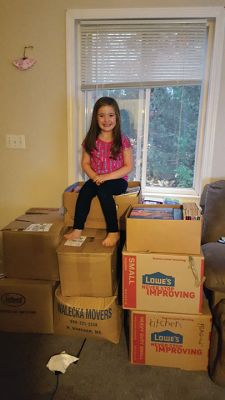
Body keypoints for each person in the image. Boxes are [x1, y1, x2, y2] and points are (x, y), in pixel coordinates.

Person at [64, 96, 133, 247]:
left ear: (117, 117)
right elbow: (85, 163)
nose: (106, 120)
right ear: (96, 118)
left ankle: (113, 231)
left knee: (103, 191)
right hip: (97, 178)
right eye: (101, 115)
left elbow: (128, 166)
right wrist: (95, 176)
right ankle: (77, 228)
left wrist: (106, 177)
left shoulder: (123, 140)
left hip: (118, 180)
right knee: (85, 192)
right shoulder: (91, 139)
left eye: (111, 115)